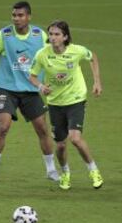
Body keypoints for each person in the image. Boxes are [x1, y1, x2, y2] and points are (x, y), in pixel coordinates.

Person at [0, 1, 59, 182]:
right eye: (14, 15)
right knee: (3, 127)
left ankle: (51, 170)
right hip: (7, 88)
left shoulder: (39, 35)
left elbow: (51, 58)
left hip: (30, 89)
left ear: (29, 17)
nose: (16, 19)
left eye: (20, 15)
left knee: (42, 129)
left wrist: (52, 82)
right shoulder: (4, 35)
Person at [29, 20, 104, 190]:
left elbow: (92, 57)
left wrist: (97, 82)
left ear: (65, 37)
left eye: (57, 34)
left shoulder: (76, 51)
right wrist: (41, 86)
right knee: (61, 145)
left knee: (75, 138)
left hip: (76, 99)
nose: (53, 37)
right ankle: (65, 172)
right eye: (51, 34)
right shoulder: (42, 54)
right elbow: (32, 76)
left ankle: (93, 170)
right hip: (55, 103)